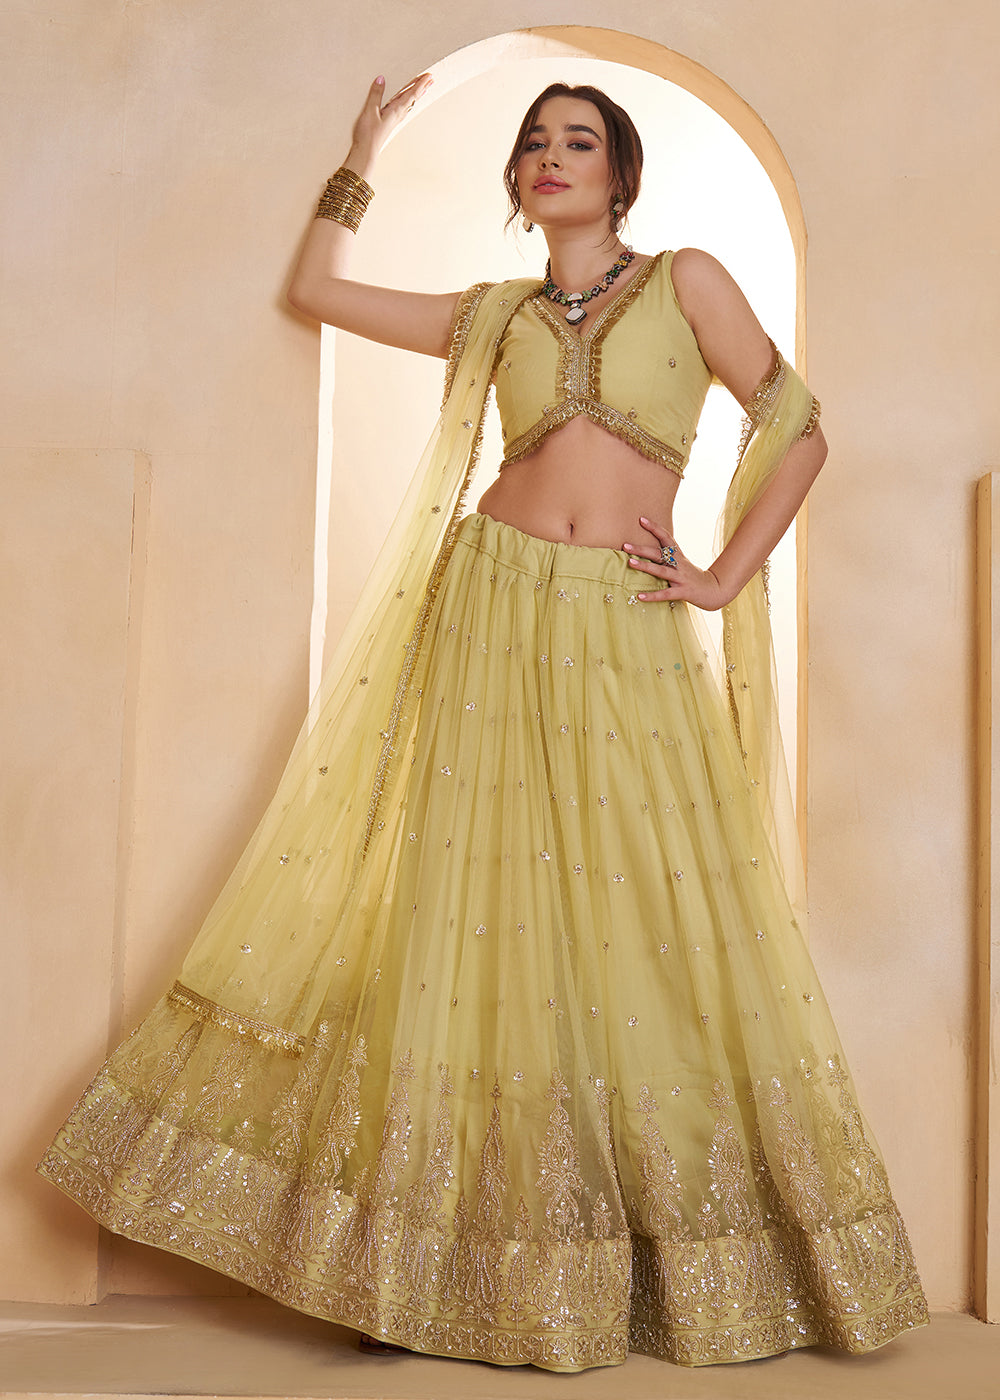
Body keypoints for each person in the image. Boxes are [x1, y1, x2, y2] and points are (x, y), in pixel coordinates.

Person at [39, 75, 928, 1372]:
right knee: (473, 917)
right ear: (516, 180)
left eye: (579, 141)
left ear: (621, 174)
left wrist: (723, 576)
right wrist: (359, 158)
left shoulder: (688, 282)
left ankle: (656, 1260)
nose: (551, 157)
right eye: (534, 144)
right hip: (490, 612)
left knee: (646, 914)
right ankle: (423, 1270)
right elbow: (318, 291)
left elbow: (797, 428)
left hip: (623, 619)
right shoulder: (494, 314)